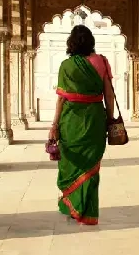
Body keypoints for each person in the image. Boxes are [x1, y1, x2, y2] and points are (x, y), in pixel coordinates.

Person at [48, 24, 115, 225]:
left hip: (71, 122)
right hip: (95, 121)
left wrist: (55, 125)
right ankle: (88, 212)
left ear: (72, 43)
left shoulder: (66, 66)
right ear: (91, 42)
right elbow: (108, 94)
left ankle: (73, 204)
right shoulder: (102, 61)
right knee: (91, 167)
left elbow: (61, 100)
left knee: (71, 163)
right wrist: (110, 119)